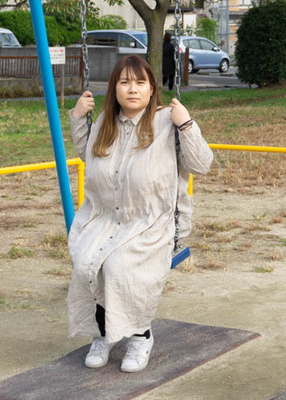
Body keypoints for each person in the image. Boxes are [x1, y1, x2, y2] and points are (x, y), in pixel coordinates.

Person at [67, 55, 213, 373]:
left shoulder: (167, 121)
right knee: (87, 263)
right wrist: (78, 118)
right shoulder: (104, 122)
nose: (132, 89)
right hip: (105, 219)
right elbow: (90, 158)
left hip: (151, 222)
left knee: (120, 266)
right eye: (124, 82)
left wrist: (186, 124)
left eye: (140, 82)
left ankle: (140, 335)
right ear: (115, 89)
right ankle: (103, 334)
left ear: (151, 89)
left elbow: (202, 164)